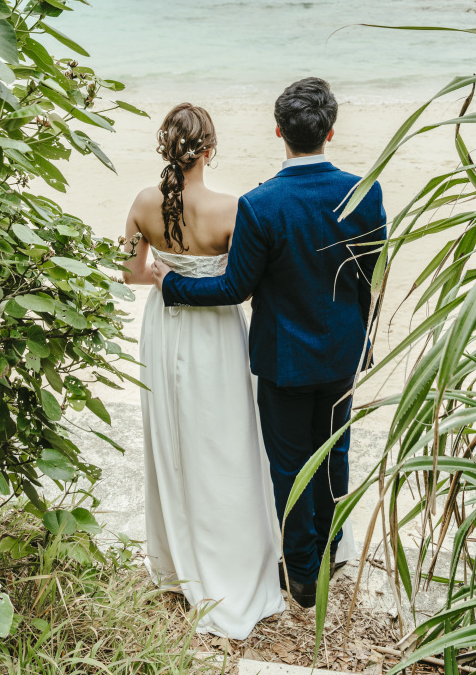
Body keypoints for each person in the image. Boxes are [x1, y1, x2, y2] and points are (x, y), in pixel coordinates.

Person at [152, 77, 386, 609]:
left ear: (278, 130)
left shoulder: (261, 205)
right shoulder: (364, 192)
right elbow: (371, 280)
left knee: (290, 464)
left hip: (282, 359)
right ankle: (331, 552)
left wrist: (172, 284)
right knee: (335, 454)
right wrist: (361, 340)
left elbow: (234, 288)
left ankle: (302, 574)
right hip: (342, 354)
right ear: (331, 130)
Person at [122, 103, 284, 640]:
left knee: (171, 440)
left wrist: (167, 271)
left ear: (165, 148)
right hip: (217, 332)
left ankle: (175, 564)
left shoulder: (144, 204)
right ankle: (232, 559)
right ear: (209, 151)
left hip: (163, 329)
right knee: (225, 442)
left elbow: (132, 274)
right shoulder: (232, 209)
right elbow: (244, 281)